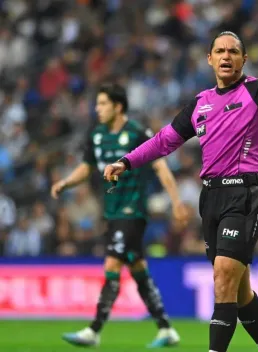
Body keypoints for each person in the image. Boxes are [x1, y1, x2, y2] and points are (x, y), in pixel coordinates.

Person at [103, 31, 258, 352]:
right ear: (209, 58)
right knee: (240, 292)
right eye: (219, 51)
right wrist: (127, 161)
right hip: (212, 199)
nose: (226, 56)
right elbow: (164, 140)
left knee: (223, 275)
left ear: (243, 59)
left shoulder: (257, 92)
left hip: (246, 195)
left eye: (233, 51)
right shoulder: (200, 104)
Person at [51, 83, 188, 348]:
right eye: (97, 104)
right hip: (112, 213)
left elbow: (160, 167)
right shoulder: (98, 135)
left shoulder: (137, 132)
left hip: (132, 211)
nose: (97, 109)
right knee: (138, 269)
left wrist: (176, 202)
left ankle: (94, 330)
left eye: (102, 104)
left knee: (113, 264)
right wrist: (66, 183)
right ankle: (166, 329)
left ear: (118, 106)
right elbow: (86, 167)